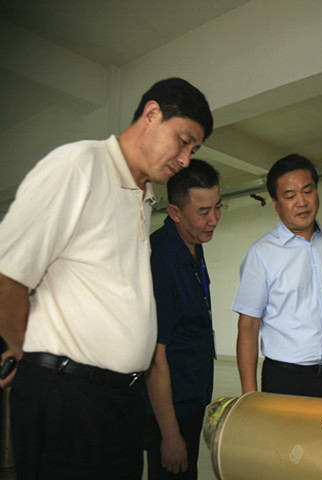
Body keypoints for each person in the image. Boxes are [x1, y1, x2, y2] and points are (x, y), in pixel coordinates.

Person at [0, 77, 213, 479]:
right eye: (184, 141)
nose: (186, 159)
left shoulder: (141, 197)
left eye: (194, 150)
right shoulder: (81, 166)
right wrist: (24, 355)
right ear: (151, 114)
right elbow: (6, 275)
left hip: (120, 399)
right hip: (67, 396)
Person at [234, 154, 322, 398]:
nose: (301, 202)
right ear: (275, 203)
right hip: (287, 379)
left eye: (307, 191)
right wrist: (249, 396)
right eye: (290, 196)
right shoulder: (261, 254)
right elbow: (248, 326)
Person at [143, 160, 221, 479]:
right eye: (203, 212)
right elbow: (154, 357)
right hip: (169, 408)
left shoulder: (192, 244)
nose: (213, 220)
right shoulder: (161, 260)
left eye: (218, 207)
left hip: (191, 396)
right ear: (174, 212)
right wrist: (170, 434)